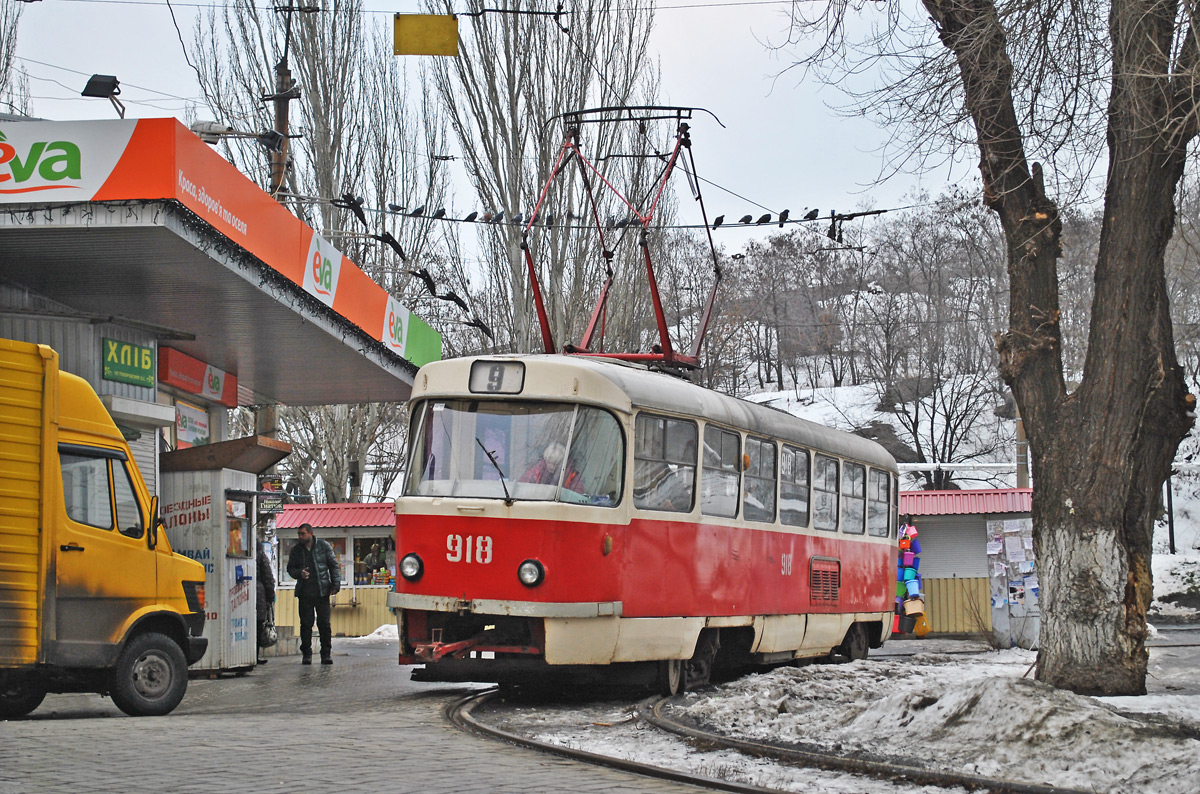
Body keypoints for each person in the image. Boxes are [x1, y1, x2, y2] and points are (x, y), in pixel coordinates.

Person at [286, 522, 341, 665]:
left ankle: (326, 654)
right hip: (304, 592)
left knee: (324, 624)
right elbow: (290, 568)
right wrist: (299, 573)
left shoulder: (323, 546)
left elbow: (333, 566)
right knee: (306, 624)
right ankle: (306, 654)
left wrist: (336, 584)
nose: (300, 536)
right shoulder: (296, 550)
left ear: (311, 533)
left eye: (303, 534)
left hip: (322, 591)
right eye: (299, 534)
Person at [255, 540, 276, 665]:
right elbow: (268, 577)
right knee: (258, 626)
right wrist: (270, 597)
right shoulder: (261, 555)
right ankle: (255, 656)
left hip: (249, 593)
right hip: (259, 595)